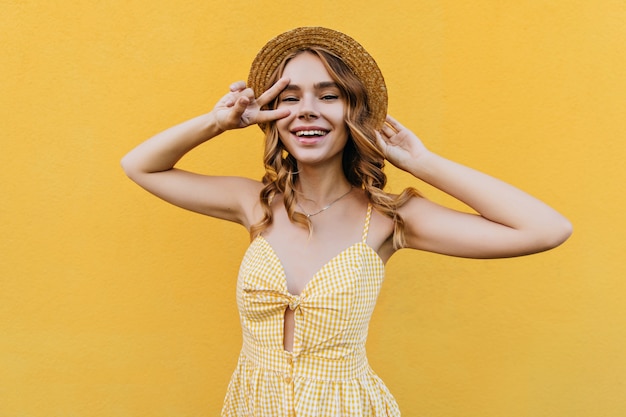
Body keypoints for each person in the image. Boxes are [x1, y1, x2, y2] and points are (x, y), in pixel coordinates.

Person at [121, 27, 571, 416]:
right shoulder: (255, 203)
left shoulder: (391, 218)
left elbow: (545, 229)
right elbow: (140, 166)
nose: (306, 110)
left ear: (353, 111)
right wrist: (218, 122)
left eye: (328, 95)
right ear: (274, 116)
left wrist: (423, 162)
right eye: (289, 97)